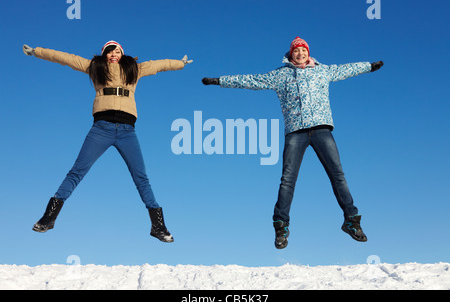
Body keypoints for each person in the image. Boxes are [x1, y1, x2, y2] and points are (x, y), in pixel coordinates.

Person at [202, 36, 383, 249]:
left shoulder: (322, 70)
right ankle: (281, 227)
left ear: (308, 52)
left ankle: (352, 221)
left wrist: (368, 67)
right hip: (295, 132)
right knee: (287, 180)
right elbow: (251, 80)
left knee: (338, 175)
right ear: (291, 54)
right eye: (296, 51)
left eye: (303, 51)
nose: (300, 54)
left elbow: (345, 70)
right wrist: (219, 81)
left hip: (321, 129)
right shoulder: (281, 75)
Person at [23, 40, 193, 242]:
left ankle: (158, 226)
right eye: (110, 51)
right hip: (101, 129)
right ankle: (49, 217)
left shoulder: (135, 70)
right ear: (104, 54)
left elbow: (159, 65)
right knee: (77, 171)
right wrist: (37, 52)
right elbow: (66, 58)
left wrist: (179, 64)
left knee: (141, 178)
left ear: (122, 53)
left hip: (127, 132)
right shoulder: (95, 68)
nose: (114, 54)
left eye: (117, 51)